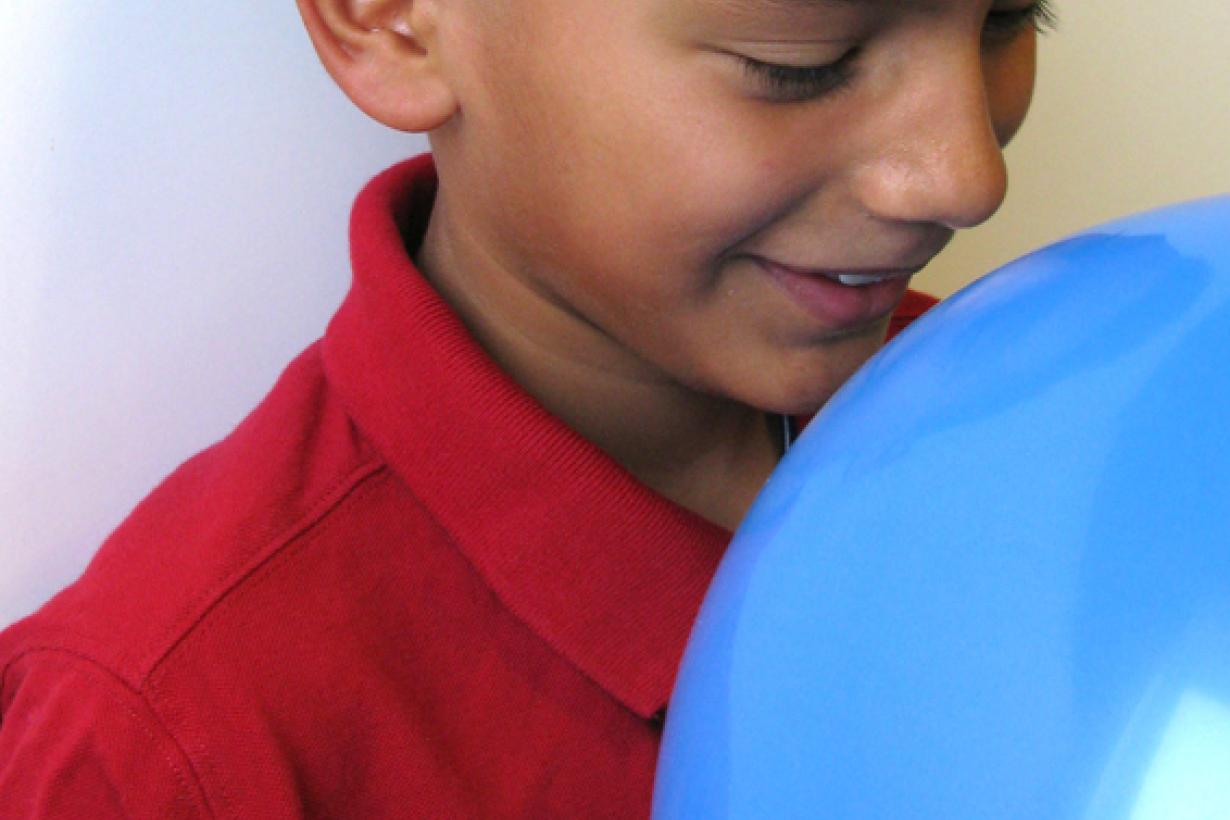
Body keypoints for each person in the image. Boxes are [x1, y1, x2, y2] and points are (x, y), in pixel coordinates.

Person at [0, 0, 1051, 815]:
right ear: (394, 20)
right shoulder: (166, 749)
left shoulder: (1054, 434)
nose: (967, 175)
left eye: (1012, 16)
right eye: (797, 59)